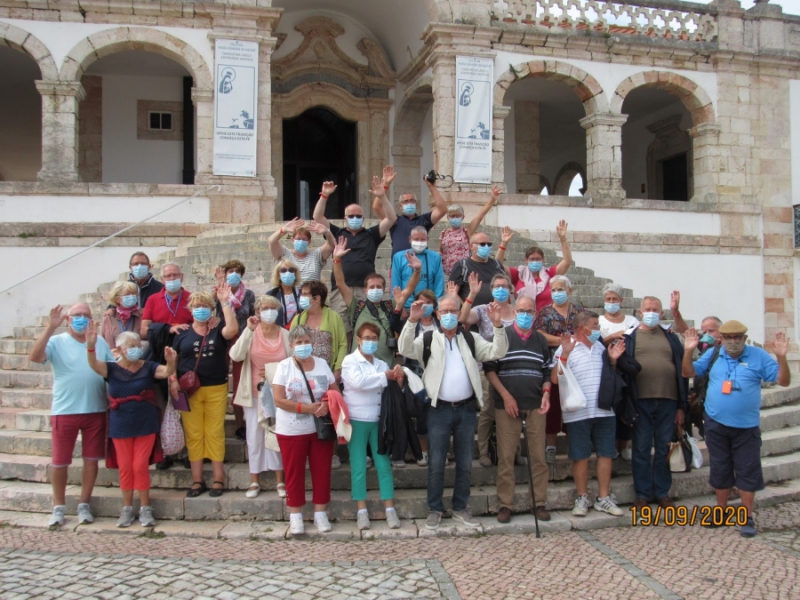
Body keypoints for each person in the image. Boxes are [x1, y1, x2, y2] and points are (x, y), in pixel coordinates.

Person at [398, 295, 509, 531]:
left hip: (466, 410)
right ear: (437, 314)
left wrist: (498, 325)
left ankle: (460, 507)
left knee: (465, 463)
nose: (448, 314)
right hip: (438, 410)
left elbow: (497, 352)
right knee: (436, 463)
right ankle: (435, 509)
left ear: (459, 314)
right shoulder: (427, 338)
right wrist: (411, 320)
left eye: (453, 310)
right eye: (444, 310)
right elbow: (404, 349)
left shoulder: (470, 338)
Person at [682, 322, 790, 537]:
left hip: (746, 426)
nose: (733, 341)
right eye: (728, 337)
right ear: (721, 338)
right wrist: (688, 350)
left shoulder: (758, 355)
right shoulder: (714, 354)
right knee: (720, 468)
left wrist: (781, 357)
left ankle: (746, 517)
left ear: (744, 337)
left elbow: (783, 381)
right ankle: (720, 511)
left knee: (747, 471)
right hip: (715, 423)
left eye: (737, 337)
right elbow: (688, 372)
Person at [28, 303, 115, 528]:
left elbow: (112, 369)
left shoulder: (100, 342)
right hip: (65, 410)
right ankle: (58, 506)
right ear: (68, 319)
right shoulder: (57, 342)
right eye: (77, 315)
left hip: (95, 408)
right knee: (59, 462)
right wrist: (49, 328)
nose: (81, 318)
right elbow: (35, 357)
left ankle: (84, 504)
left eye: (86, 315)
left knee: (91, 460)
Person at [85, 325, 177, 528]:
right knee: (126, 467)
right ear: (119, 349)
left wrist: (171, 361)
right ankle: (126, 508)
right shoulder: (112, 368)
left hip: (146, 422)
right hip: (120, 424)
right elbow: (93, 364)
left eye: (138, 345)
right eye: (131, 346)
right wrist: (91, 347)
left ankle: (145, 508)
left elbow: (167, 371)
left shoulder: (148, 366)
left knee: (139, 465)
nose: (136, 348)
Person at [483, 295, 552, 523]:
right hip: (507, 406)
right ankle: (505, 504)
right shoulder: (503, 335)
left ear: (534, 314)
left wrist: (546, 393)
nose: (525, 315)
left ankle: (539, 502)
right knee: (506, 456)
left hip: (535, 406)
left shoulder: (540, 340)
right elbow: (491, 370)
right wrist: (505, 396)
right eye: (521, 311)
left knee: (538, 457)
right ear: (514, 313)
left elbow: (546, 371)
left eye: (529, 311)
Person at [552, 311, 627, 518]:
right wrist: (565, 354)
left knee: (606, 453)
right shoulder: (565, 347)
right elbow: (555, 379)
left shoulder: (602, 347)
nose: (598, 329)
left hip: (604, 410)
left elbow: (610, 374)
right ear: (582, 328)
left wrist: (612, 360)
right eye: (594, 325)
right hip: (578, 413)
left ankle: (603, 498)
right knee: (580, 455)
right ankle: (582, 497)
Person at [170, 288, 239, 498]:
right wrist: (172, 379)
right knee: (194, 434)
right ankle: (197, 480)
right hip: (190, 390)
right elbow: (174, 359)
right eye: (197, 306)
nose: (201, 310)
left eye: (205, 306)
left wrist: (224, 302)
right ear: (190, 310)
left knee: (215, 432)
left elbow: (233, 330)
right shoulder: (182, 333)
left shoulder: (217, 329)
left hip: (216, 387)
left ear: (211, 309)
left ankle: (218, 478)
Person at [272, 325, 340, 535]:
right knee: (294, 472)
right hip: (291, 428)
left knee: (322, 470)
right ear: (291, 345)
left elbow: (334, 389)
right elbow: (279, 399)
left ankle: (320, 513)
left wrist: (328, 403)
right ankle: (296, 516)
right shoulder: (284, 367)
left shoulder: (321, 364)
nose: (303, 346)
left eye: (306, 341)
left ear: (313, 343)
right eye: (298, 342)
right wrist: (306, 408)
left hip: (320, 429)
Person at [622, 296, 688, 510]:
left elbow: (682, 371)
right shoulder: (630, 337)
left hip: (669, 401)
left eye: (656, 309)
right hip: (641, 401)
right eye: (647, 309)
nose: (652, 312)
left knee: (663, 448)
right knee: (641, 448)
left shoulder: (671, 338)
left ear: (662, 313)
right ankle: (642, 493)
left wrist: (681, 406)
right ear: (640, 313)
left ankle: (662, 492)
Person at [342, 322, 406, 530]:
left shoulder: (381, 364)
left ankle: (390, 508)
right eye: (366, 338)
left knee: (383, 466)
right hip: (357, 419)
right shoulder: (350, 361)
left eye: (373, 338)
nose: (370, 342)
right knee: (359, 466)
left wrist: (398, 376)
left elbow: (391, 388)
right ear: (358, 340)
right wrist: (384, 377)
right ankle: (361, 510)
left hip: (379, 420)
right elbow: (358, 383)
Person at [313, 176, 397, 335]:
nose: (355, 219)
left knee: (365, 327)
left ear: (363, 219)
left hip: (365, 288)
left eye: (358, 216)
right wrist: (324, 196)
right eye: (351, 216)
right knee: (341, 328)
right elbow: (318, 217)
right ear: (345, 219)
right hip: (340, 288)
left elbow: (391, 219)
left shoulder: (372, 234)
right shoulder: (337, 233)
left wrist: (382, 196)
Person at [229, 295, 289, 499]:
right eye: (265, 308)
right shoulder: (251, 333)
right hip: (253, 393)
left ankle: (280, 479)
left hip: (279, 394)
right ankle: (254, 480)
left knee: (276, 433)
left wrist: (274, 369)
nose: (269, 311)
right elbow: (235, 355)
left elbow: (293, 363)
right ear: (257, 312)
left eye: (272, 307)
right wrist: (248, 329)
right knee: (254, 436)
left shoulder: (286, 335)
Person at [458, 273, 517, 468]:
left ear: (510, 289)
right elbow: (463, 318)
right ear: (491, 290)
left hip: (512, 369)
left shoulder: (518, 314)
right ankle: (484, 452)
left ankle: (513, 451)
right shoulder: (483, 310)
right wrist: (472, 294)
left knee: (512, 412)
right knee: (488, 410)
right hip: (486, 368)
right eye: (497, 286)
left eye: (504, 285)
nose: (501, 289)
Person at [332, 237, 420, 366]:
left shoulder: (391, 305)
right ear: (365, 290)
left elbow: (409, 289)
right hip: (359, 366)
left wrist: (417, 271)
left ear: (384, 290)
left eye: (378, 287)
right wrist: (337, 260)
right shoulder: (356, 305)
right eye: (372, 287)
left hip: (386, 366)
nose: (375, 289)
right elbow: (340, 283)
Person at [289, 280, 348, 468]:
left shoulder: (333, 316)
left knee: (328, 413)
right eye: (302, 294)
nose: (303, 298)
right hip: (304, 374)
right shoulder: (298, 318)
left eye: (306, 294)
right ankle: (309, 453)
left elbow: (342, 344)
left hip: (328, 374)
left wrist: (337, 369)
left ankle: (332, 453)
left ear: (317, 298)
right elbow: (292, 344)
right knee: (308, 413)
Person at [534, 275, 584, 464]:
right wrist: (563, 343)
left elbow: (585, 330)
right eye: (553, 290)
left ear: (569, 291)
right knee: (553, 404)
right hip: (553, 361)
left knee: (574, 402)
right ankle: (551, 446)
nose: (557, 293)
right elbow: (539, 334)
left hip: (576, 362)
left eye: (560, 289)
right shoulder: (545, 312)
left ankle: (575, 444)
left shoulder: (579, 310)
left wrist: (571, 344)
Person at [389, 288, 440, 467]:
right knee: (420, 414)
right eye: (421, 302)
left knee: (437, 415)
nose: (425, 305)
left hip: (437, 375)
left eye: (428, 302)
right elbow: (393, 323)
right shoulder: (411, 323)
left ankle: (438, 451)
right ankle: (422, 452)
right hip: (415, 375)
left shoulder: (441, 324)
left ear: (434, 306)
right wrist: (400, 304)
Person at [598, 282, 639, 461]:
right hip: (607, 370)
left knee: (627, 407)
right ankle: (612, 445)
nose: (611, 302)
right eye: (608, 299)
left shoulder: (632, 321)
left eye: (615, 299)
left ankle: (625, 444)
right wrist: (613, 336)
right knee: (611, 407)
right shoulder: (599, 321)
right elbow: (597, 342)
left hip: (627, 370)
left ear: (621, 301)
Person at [215, 260, 256, 441]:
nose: (233, 274)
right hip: (222, 339)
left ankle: (240, 424)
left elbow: (252, 315)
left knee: (240, 381)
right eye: (230, 271)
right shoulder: (217, 292)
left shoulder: (248, 294)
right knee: (220, 379)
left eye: (237, 271)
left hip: (242, 340)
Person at [497, 220, 571, 312]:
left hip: (546, 320)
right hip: (525, 320)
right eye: (532, 259)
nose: (535, 261)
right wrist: (504, 243)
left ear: (543, 260)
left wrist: (563, 238)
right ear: (526, 260)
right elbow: (498, 264)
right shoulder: (519, 274)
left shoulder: (550, 273)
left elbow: (567, 261)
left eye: (538, 259)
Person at [372, 167, 448, 254]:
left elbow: (442, 210)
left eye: (412, 201)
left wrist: (431, 187)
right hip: (399, 264)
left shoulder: (424, 220)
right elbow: (377, 207)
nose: (409, 203)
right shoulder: (394, 220)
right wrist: (385, 185)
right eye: (406, 201)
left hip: (421, 262)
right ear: (400, 206)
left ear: (416, 204)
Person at [440, 186, 502, 277]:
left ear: (462, 217)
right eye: (452, 216)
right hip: (447, 273)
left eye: (457, 216)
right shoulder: (444, 233)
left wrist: (492, 199)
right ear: (448, 217)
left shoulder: (467, 230)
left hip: (464, 271)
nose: (455, 218)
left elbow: (480, 216)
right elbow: (442, 251)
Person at [268, 215, 335, 283]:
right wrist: (283, 230)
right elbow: (272, 241)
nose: (301, 241)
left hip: (312, 291)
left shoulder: (316, 255)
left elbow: (331, 245)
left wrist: (327, 232)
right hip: (290, 292)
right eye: (298, 239)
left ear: (309, 242)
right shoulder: (284, 254)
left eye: (304, 239)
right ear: (293, 240)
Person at [448, 231, 507, 307]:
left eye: (488, 244)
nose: (486, 247)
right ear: (471, 246)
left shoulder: (497, 265)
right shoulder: (462, 266)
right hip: (471, 315)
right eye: (482, 244)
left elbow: (506, 288)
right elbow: (452, 293)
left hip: (496, 313)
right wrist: (465, 310)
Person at [391, 226, 444, 310]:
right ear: (410, 239)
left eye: (423, 240)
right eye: (416, 239)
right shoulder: (399, 257)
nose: (419, 242)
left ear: (427, 240)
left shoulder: (435, 257)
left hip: (429, 307)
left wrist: (435, 307)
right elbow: (395, 285)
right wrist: (399, 306)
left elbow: (439, 285)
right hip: (406, 307)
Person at [140, 262, 193, 338]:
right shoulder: (152, 300)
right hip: (161, 345)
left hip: (185, 343)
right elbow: (144, 332)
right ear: (162, 279)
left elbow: (201, 326)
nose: (172, 278)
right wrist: (168, 329)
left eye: (175, 275)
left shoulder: (192, 298)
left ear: (182, 277)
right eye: (168, 276)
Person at [101, 281, 143, 352]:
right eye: (127, 294)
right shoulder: (108, 317)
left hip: (136, 359)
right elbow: (103, 341)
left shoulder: (141, 315)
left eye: (134, 294)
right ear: (117, 299)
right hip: (114, 359)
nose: (132, 297)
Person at [267, 259, 302, 328]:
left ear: (295, 273)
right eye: (283, 270)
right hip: (279, 333)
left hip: (299, 334)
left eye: (291, 270)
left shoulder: (302, 293)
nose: (288, 273)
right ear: (278, 274)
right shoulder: (271, 295)